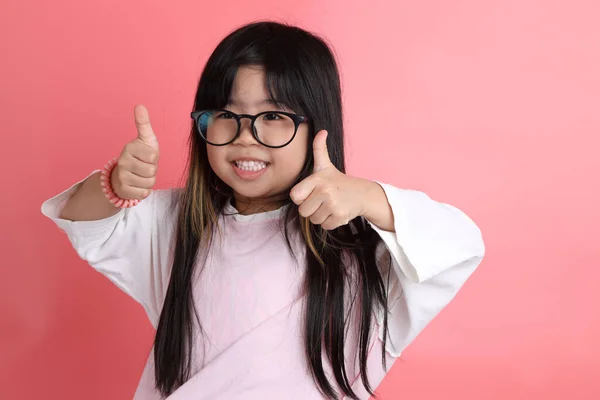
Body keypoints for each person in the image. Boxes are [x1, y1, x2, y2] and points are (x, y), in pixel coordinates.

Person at [41, 21, 485, 400]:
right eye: (226, 114)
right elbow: (85, 219)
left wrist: (367, 197)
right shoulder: (180, 224)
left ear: (319, 125)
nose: (245, 136)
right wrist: (117, 184)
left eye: (274, 116)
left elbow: (460, 244)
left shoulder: (364, 246)